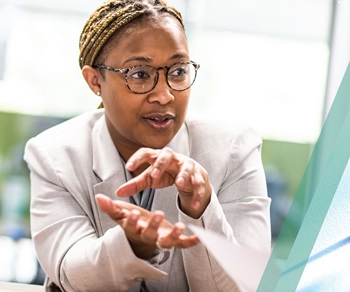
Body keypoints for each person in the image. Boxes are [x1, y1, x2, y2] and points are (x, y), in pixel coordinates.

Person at [23, 0, 271, 291]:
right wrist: (131, 246)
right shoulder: (54, 155)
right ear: (94, 80)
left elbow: (247, 285)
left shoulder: (234, 150)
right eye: (140, 74)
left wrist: (202, 208)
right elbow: (71, 276)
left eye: (178, 71)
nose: (164, 95)